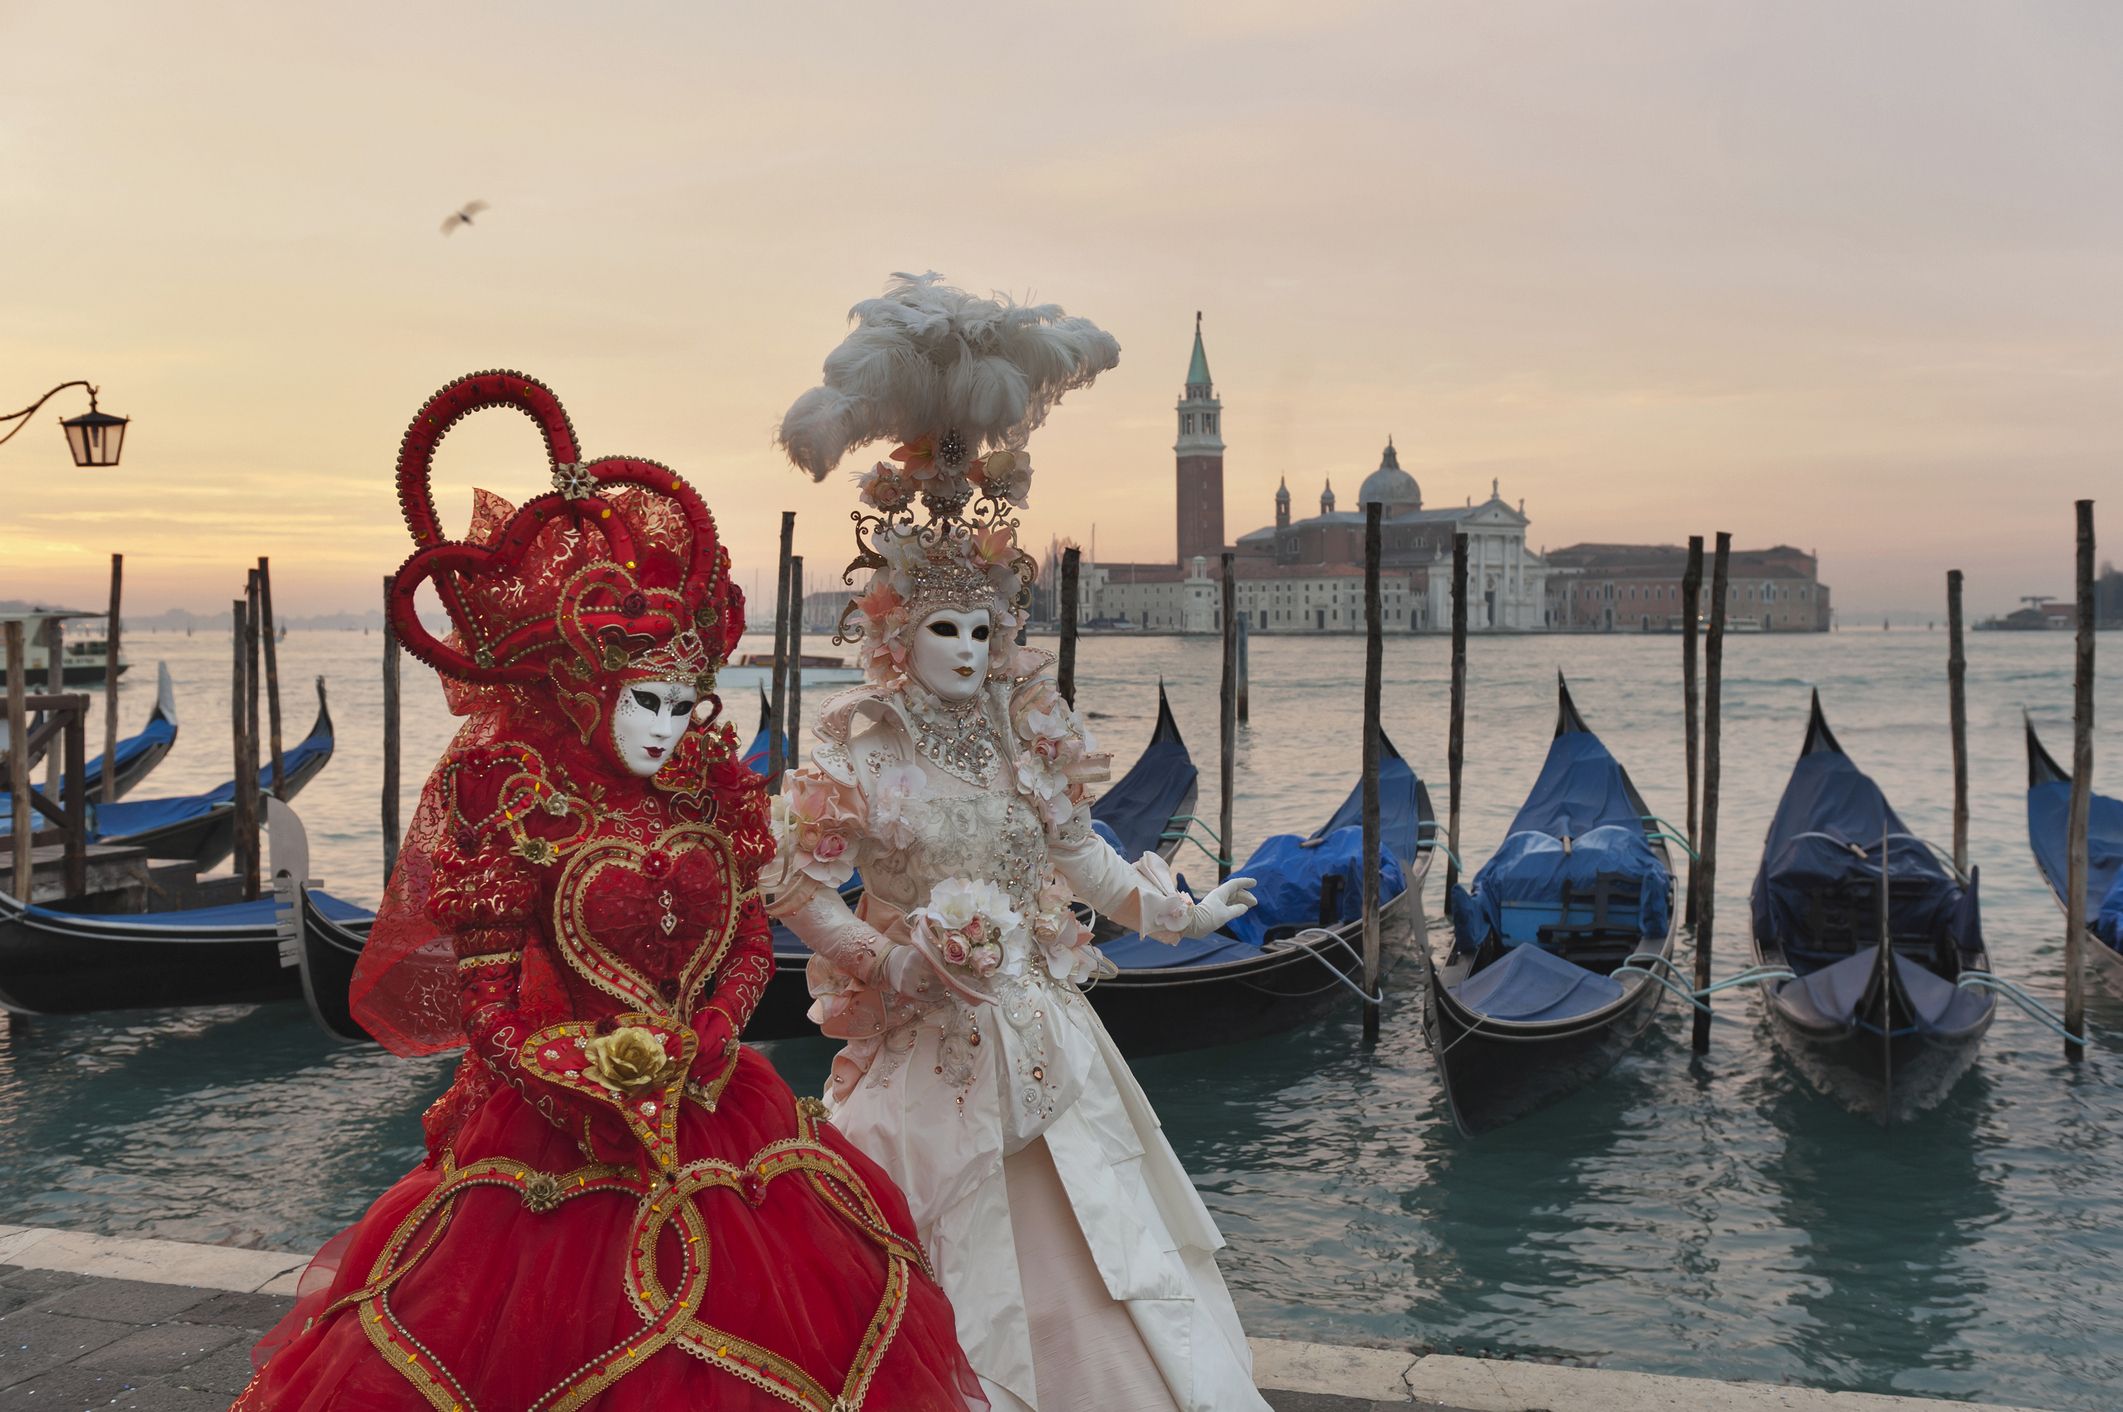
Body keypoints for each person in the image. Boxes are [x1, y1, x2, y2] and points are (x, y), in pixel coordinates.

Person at [235, 370, 982, 1412]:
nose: (665, 725)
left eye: (683, 702)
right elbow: (486, 1000)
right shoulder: (518, 807)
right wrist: (562, 1063)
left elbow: (749, 946)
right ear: (588, 687)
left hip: (716, 1103)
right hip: (556, 1124)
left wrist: (716, 1028)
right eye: (644, 699)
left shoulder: (710, 801)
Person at [767, 274, 1273, 1412]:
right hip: (927, 1046)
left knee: (1105, 1261)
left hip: (1046, 1031)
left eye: (980, 627)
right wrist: (887, 957)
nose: (960, 645)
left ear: (1004, 635)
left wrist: (1176, 911)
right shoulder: (859, 745)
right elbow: (790, 873)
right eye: (939, 625)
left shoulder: (1028, 738)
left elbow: (1080, 861)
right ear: (899, 632)